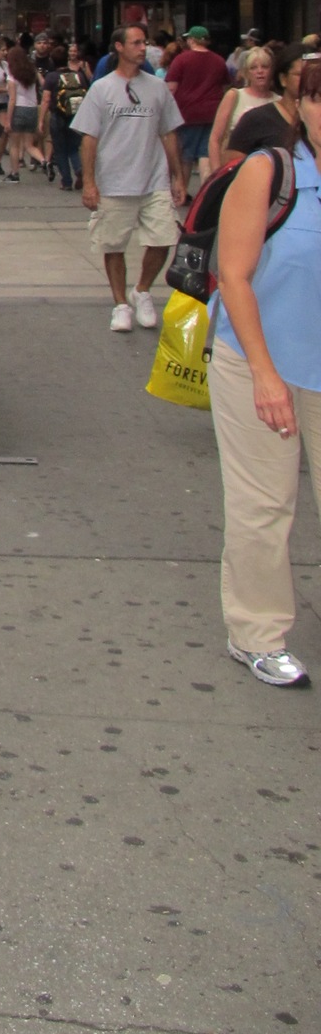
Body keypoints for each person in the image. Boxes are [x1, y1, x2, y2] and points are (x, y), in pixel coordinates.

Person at [204, 62, 321, 688]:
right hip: (259, 362)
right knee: (264, 504)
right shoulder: (270, 171)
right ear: (298, 108)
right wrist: (265, 374)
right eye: (319, 100)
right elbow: (235, 276)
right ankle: (257, 633)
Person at [72, 25, 187, 334]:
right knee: (113, 244)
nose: (142, 47)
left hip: (154, 179)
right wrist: (89, 183)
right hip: (114, 181)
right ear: (119, 47)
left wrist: (178, 177)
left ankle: (142, 290)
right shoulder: (101, 88)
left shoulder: (158, 87)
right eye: (136, 43)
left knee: (164, 238)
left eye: (144, 42)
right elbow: (89, 139)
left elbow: (169, 133)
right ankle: (121, 304)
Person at [164, 25, 231, 185]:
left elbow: (171, 88)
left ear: (192, 40)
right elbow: (225, 86)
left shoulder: (181, 59)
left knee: (185, 155)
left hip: (187, 113)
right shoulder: (219, 60)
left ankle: (182, 190)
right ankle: (205, 191)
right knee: (206, 154)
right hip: (213, 112)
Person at [209, 45, 279, 171]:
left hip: (269, 168)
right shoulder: (234, 96)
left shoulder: (279, 101)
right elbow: (215, 138)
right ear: (246, 72)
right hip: (234, 167)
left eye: (264, 67)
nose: (260, 71)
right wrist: (216, 172)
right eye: (253, 68)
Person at [1, 44, 45, 183]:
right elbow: (43, 83)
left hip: (18, 109)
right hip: (32, 109)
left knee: (14, 145)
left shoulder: (12, 76)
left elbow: (12, 99)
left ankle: (15, 173)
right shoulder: (32, 72)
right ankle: (44, 161)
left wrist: (8, 120)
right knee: (29, 145)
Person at [49, 43, 90, 190]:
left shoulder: (52, 77)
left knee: (60, 150)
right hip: (75, 115)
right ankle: (78, 168)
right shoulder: (78, 76)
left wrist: (41, 121)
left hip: (57, 115)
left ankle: (66, 182)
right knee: (73, 147)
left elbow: (46, 99)